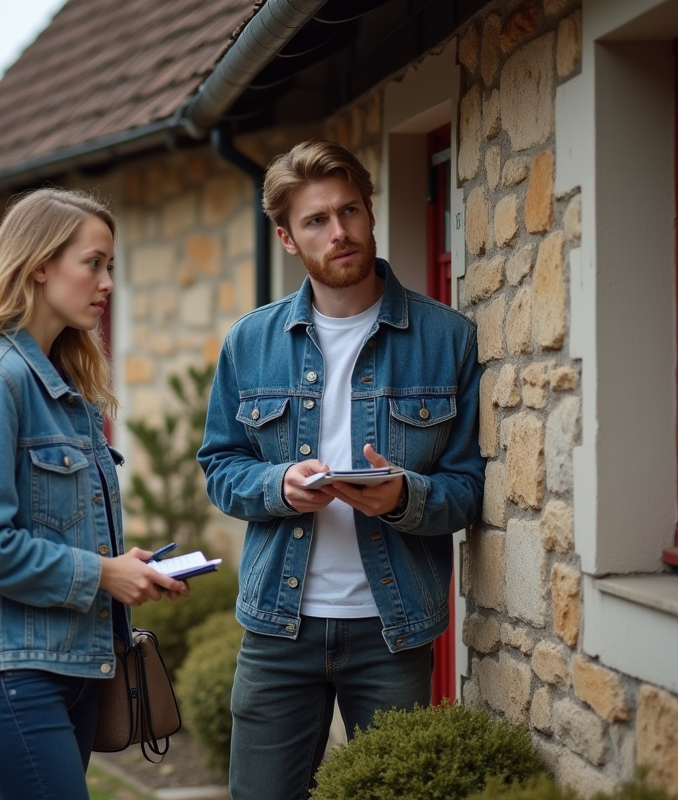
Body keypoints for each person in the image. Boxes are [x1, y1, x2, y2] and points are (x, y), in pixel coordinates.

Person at [197, 140, 486, 800]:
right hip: (276, 628)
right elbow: (221, 466)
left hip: (392, 630)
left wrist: (403, 497)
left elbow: (468, 490)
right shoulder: (251, 342)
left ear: (371, 212)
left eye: (349, 210)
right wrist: (278, 485)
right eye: (316, 221)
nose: (340, 232)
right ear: (287, 238)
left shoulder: (447, 340)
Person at [0, 187, 189, 800]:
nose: (107, 282)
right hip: (11, 671)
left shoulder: (64, 389)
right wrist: (101, 574)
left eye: (109, 265)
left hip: (75, 665)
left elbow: (60, 530)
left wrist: (128, 568)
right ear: (39, 265)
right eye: (93, 263)